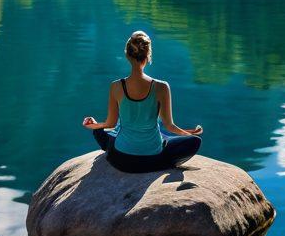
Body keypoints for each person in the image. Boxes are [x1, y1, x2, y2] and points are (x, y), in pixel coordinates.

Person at [82, 30, 203, 172]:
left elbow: (110, 124)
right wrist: (189, 134)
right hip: (153, 158)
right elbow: (169, 126)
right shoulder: (162, 87)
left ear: (127, 55)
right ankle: (164, 160)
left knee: (99, 131)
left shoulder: (116, 86)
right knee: (194, 141)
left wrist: (94, 125)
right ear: (148, 56)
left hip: (121, 159)